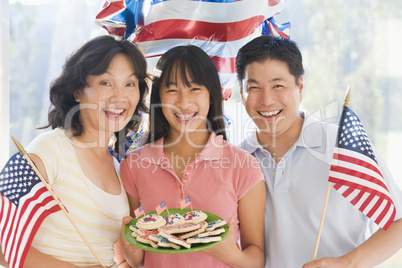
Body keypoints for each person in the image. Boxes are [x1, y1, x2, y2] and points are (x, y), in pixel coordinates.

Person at [236, 35, 402, 268]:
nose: (267, 100)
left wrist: (346, 263)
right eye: (254, 87)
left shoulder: (342, 145)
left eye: (278, 85)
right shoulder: (237, 160)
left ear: (300, 86)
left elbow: (399, 221)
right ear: (241, 93)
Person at [0, 35, 149, 267]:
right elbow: (3, 242)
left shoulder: (121, 169)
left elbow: (117, 258)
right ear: (77, 92)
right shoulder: (50, 149)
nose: (120, 97)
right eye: (105, 83)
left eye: (130, 84)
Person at [119, 45, 266, 267]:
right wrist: (130, 250)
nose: (184, 103)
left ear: (211, 95)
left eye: (195, 89)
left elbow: (257, 257)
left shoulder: (244, 165)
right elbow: (139, 259)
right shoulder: (134, 165)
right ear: (158, 96)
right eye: (172, 90)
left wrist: (229, 254)